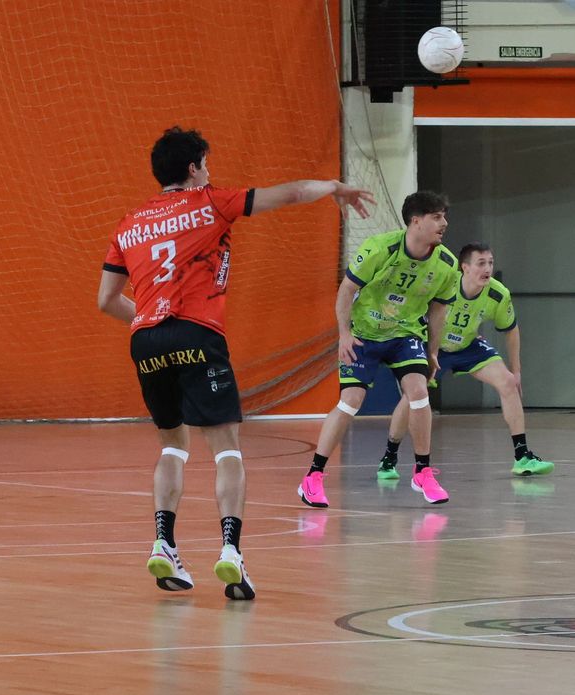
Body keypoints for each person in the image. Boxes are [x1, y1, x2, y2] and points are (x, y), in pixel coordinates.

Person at [98, 126, 373, 599]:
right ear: (193, 168)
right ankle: (231, 553)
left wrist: (148, 323)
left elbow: (106, 300)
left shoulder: (129, 223)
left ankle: (164, 543)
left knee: (173, 446)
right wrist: (333, 186)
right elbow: (289, 194)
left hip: (145, 339)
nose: (209, 171)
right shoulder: (210, 201)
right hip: (197, 333)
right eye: (205, 163)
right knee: (226, 449)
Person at [300, 191, 461, 509]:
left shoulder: (447, 264)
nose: (444, 222)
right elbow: (347, 289)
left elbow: (439, 310)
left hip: (405, 334)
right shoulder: (380, 248)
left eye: (444, 216)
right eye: (437, 216)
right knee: (350, 401)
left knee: (418, 392)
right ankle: (313, 477)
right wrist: (344, 334)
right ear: (416, 221)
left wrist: (432, 351)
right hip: (364, 333)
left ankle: (422, 472)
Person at [376, 243, 552, 479]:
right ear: (464, 267)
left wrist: (516, 371)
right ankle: (389, 458)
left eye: (490, 263)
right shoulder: (444, 285)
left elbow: (511, 330)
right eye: (481, 263)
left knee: (508, 382)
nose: (487, 269)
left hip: (467, 346)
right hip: (433, 346)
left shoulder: (498, 294)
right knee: (413, 397)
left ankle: (522, 456)